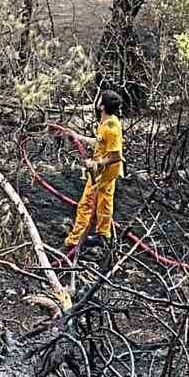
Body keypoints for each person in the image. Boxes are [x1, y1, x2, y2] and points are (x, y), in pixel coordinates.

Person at [64, 89, 124, 254]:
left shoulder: (111, 127)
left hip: (104, 172)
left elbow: (116, 155)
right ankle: (103, 234)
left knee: (87, 203)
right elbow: (99, 143)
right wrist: (78, 137)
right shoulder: (107, 122)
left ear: (102, 106)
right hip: (106, 172)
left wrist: (97, 164)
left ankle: (75, 239)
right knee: (104, 201)